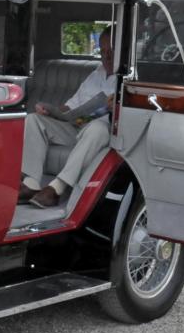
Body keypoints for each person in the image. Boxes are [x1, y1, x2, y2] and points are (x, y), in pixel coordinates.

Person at [20, 28, 116, 209]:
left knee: (98, 128)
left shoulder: (129, 77)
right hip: (76, 125)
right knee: (34, 120)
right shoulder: (96, 73)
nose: (107, 57)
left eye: (112, 52)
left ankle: (57, 188)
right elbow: (71, 105)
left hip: (100, 133)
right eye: (103, 52)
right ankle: (31, 184)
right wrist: (51, 111)